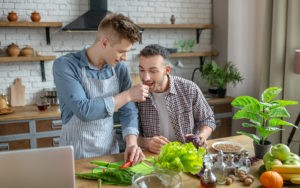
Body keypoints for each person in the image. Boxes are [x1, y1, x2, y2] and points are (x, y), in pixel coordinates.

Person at [53, 13, 149, 164]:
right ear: (104, 43)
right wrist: (128, 95)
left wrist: (131, 143)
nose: (125, 58)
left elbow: (128, 110)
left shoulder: (119, 68)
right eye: (121, 51)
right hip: (75, 155)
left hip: (110, 153)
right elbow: (84, 110)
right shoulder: (66, 65)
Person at [137, 44, 216, 154]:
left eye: (153, 71)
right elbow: (131, 136)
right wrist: (147, 142)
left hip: (188, 154)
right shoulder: (137, 96)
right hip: (155, 158)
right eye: (141, 70)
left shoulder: (189, 88)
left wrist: (201, 137)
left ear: (167, 70)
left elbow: (208, 119)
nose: (145, 77)